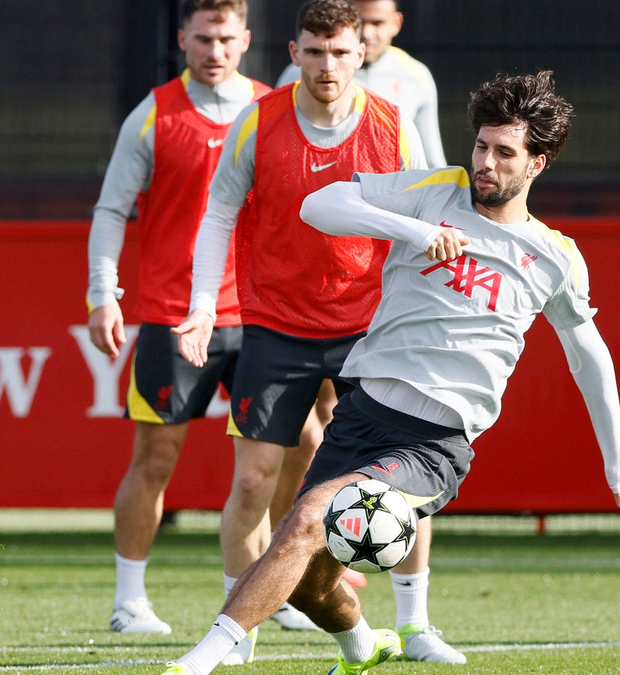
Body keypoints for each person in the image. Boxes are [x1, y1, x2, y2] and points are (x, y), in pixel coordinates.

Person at [163, 69, 620, 675]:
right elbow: (321, 203)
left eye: (504, 152)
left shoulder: (554, 256)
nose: (485, 163)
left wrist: (618, 458)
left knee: (311, 516)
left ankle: (201, 660)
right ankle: (365, 646)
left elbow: (589, 355)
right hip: (363, 415)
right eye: (480, 146)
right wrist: (414, 231)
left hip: (434, 443)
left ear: (537, 164)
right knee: (310, 579)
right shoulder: (436, 192)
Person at [171, 0, 433, 663]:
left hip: (368, 328)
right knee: (255, 481)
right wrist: (205, 304)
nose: (328, 65)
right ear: (294, 54)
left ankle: (416, 625)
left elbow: (429, 217)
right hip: (274, 325)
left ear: (360, 54)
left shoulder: (393, 125)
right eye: (314, 51)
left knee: (403, 475)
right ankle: (242, 626)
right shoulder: (258, 123)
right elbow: (219, 213)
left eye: (341, 52)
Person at [87, 0, 286, 637]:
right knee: (155, 458)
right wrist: (103, 294)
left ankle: (279, 590)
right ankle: (129, 602)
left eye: (226, 38)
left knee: (293, 449)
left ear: (246, 39)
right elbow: (111, 209)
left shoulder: (273, 109)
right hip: (176, 315)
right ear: (183, 40)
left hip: (261, 313)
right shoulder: (152, 114)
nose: (215, 50)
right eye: (203, 38)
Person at [272, 0, 458, 661]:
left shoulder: (409, 89)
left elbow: (436, 180)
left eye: (371, 31)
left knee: (411, 458)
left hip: (383, 307)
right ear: (301, 51)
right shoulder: (285, 101)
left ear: (388, 29)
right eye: (327, 46)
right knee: (306, 450)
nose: (355, 47)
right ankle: (298, 589)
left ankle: (414, 622)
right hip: (301, 308)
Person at [277, 0, 446, 167]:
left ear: (396, 23)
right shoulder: (299, 73)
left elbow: (432, 164)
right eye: (359, 22)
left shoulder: (416, 77)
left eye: (377, 23)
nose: (366, 32)